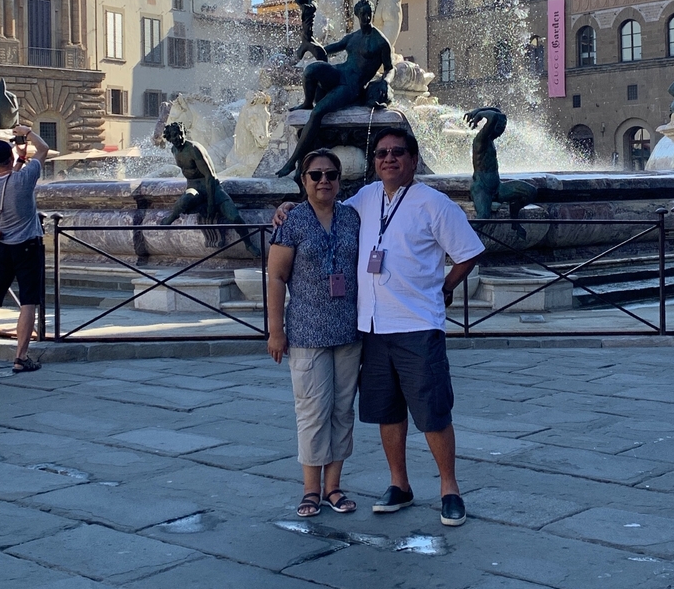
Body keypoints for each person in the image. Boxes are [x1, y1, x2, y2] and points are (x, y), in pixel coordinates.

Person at [276, 126, 484, 527]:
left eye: (398, 152)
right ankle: (399, 485)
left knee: (433, 411)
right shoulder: (365, 199)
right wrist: (288, 205)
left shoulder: (435, 204)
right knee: (388, 412)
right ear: (374, 163)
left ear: (413, 158)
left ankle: (449, 488)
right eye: (382, 153)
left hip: (416, 324)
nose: (389, 158)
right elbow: (324, 202)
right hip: (370, 326)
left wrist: (446, 286)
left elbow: (469, 252)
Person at [268, 148, 362, 518]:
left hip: (348, 331)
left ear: (340, 180)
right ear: (303, 181)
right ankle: (310, 489)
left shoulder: (353, 217)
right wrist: (276, 331)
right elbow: (276, 278)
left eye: (331, 175)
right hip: (306, 332)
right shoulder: (292, 222)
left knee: (343, 411)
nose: (324, 180)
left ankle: (333, 487)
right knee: (312, 412)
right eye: (315, 175)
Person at [276, 0, 393, 177]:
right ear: (357, 15)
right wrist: (309, 40)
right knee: (312, 70)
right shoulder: (352, 38)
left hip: (352, 86)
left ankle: (292, 162)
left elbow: (389, 69)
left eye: (368, 14)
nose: (366, 18)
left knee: (318, 112)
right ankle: (307, 102)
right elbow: (325, 50)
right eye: (362, 14)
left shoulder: (380, 41)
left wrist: (385, 81)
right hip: (340, 73)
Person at [0, 125, 50, 374]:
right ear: (10, 158)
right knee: (28, 302)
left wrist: (19, 156)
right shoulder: (25, 179)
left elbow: (5, 183)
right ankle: (21, 358)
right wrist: (28, 132)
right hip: (27, 247)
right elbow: (43, 149)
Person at [160, 121, 259, 257]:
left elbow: (210, 177)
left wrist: (211, 204)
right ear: (169, 138)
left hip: (212, 188)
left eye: (181, 134)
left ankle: (249, 244)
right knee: (184, 200)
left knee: (235, 217)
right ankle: (170, 219)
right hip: (194, 189)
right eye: (175, 136)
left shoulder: (193, 149)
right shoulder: (174, 150)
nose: (179, 138)